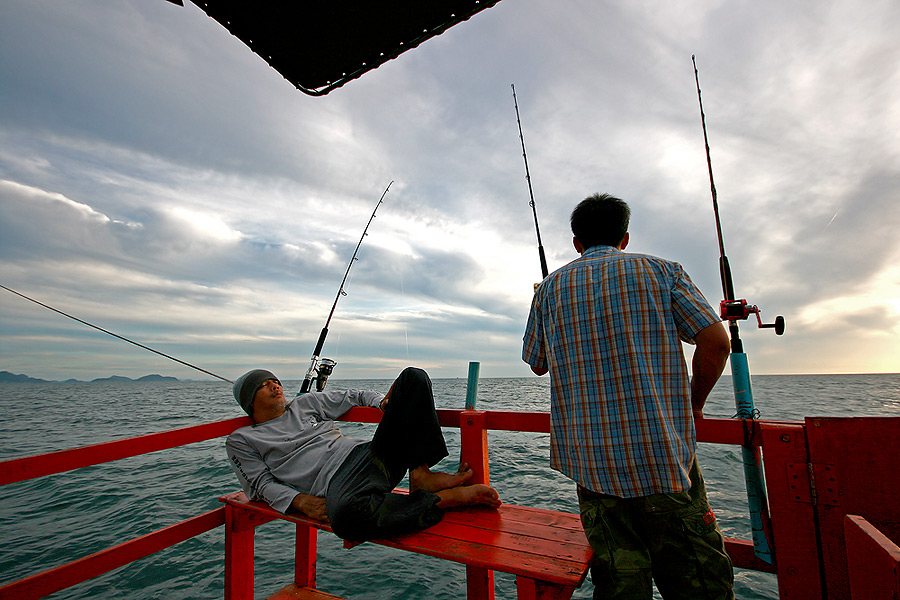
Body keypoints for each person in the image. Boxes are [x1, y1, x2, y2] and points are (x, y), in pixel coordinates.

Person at [522, 193, 734, 599]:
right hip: (664, 460)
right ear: (624, 236)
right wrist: (695, 404)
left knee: (620, 584)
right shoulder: (662, 271)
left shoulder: (548, 289)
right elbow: (715, 341)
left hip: (591, 466)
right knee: (699, 584)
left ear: (576, 242)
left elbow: (537, 363)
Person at [226, 366, 501, 542]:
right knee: (345, 519)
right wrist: (299, 501)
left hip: (365, 454)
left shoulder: (305, 403)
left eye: (275, 381)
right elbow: (260, 485)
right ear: (250, 399)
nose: (276, 386)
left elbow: (353, 396)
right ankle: (439, 500)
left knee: (413, 377)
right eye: (265, 384)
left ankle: (422, 475)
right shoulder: (243, 439)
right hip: (335, 483)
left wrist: (381, 402)